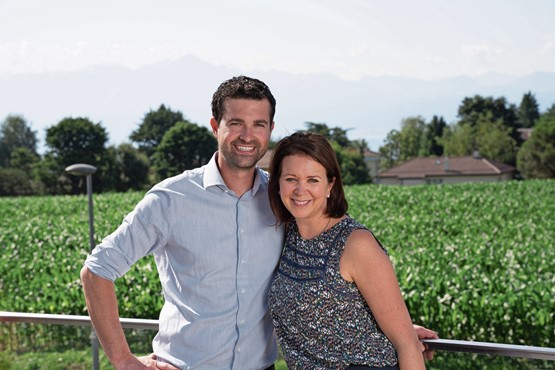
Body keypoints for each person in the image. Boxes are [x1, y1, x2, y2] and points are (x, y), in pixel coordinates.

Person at [81, 76, 437, 370]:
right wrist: (124, 360)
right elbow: (97, 270)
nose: (247, 135)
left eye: (258, 124)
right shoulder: (170, 200)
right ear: (215, 127)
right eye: (235, 123)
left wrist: (390, 332)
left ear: (269, 130)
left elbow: (333, 271)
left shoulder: (282, 199)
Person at [267, 131, 427, 370]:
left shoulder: (355, 244)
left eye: (313, 180)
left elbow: (407, 344)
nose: (301, 190)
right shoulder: (288, 235)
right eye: (291, 179)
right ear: (278, 183)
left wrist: (400, 329)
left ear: (331, 185)